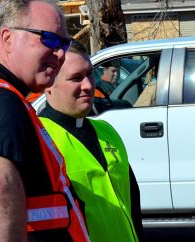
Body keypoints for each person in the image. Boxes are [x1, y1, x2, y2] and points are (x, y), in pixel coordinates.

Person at [0, 1, 89, 241]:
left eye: (64, 43)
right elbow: (0, 188)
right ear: (7, 38)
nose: (60, 53)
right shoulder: (4, 103)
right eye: (49, 39)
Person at [39, 40, 144, 242]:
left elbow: (133, 207)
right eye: (76, 78)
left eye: (89, 74)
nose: (88, 85)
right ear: (48, 84)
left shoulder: (106, 131)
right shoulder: (41, 138)